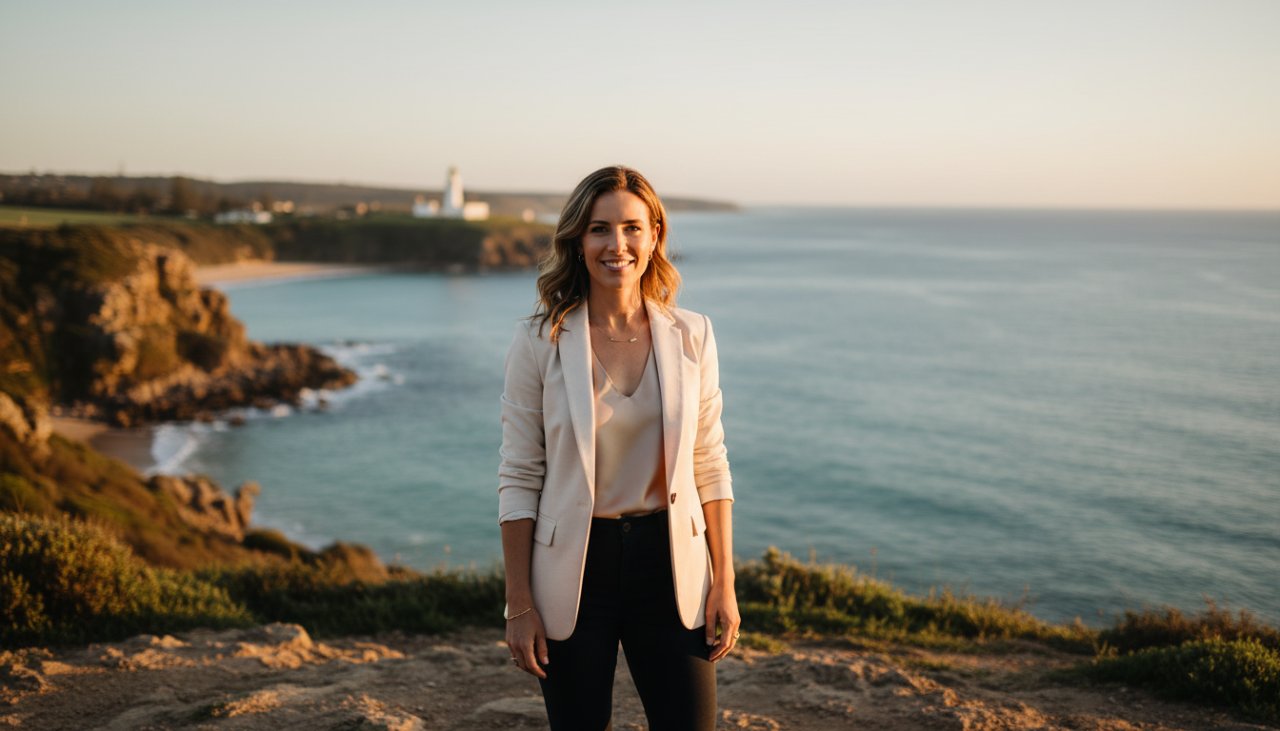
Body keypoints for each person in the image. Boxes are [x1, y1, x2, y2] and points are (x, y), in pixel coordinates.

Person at [497, 165, 740, 730]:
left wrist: (724, 582)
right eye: (600, 229)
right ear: (578, 241)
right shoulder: (539, 341)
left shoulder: (692, 334)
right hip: (574, 571)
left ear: (654, 235)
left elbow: (710, 463)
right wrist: (520, 603)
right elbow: (519, 475)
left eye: (632, 228)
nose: (617, 245)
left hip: (672, 564)